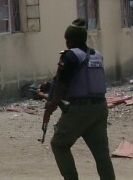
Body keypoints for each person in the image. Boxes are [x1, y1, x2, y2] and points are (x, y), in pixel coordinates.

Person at [43, 19, 116, 180]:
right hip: (100, 108)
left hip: (79, 110)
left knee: (59, 145)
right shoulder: (96, 55)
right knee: (101, 153)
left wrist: (51, 105)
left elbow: (62, 85)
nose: (66, 42)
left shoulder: (70, 56)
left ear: (72, 40)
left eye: (67, 39)